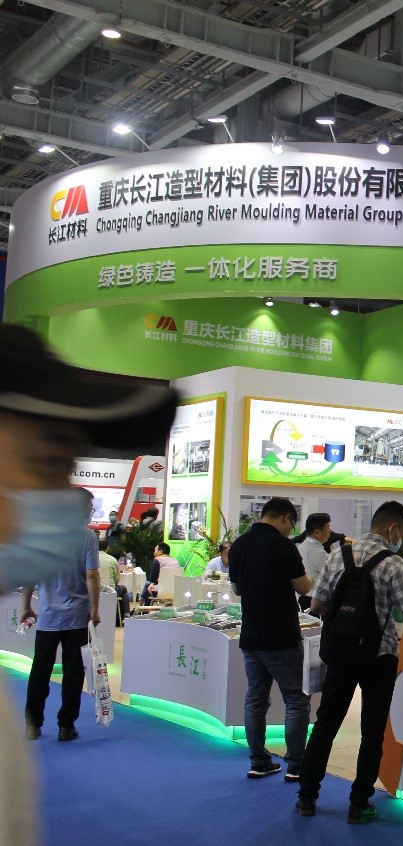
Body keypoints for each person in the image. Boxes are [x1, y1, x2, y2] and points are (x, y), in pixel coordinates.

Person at [0, 323, 177, 846]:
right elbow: (91, 575)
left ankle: (47, 719)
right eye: (48, 461)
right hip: (72, 614)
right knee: (65, 668)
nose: (57, 495)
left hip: (60, 615)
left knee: (51, 669)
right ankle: (62, 720)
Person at [296, 501, 403, 823]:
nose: (401, 539)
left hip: (340, 652)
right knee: (372, 731)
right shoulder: (393, 564)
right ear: (393, 529)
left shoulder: (337, 555)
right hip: (378, 656)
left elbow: (318, 604)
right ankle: (359, 803)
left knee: (325, 724)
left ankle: (307, 796)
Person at [228, 497, 313, 781]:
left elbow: (237, 590)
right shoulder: (284, 545)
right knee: (296, 700)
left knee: (255, 699)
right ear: (286, 518)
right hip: (281, 635)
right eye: (292, 524)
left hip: (251, 635)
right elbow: (304, 587)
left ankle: (259, 761)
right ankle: (297, 764)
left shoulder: (239, 545)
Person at [22, 487, 101, 742]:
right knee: (73, 672)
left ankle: (32, 725)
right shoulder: (87, 537)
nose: (91, 512)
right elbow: (92, 574)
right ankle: (66, 726)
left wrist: (26, 606)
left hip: (48, 616)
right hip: (77, 616)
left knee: (40, 670)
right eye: (89, 507)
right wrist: (95, 609)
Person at [296, 513, 332, 611]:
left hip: (303, 599)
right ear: (317, 532)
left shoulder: (301, 547)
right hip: (315, 602)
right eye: (328, 527)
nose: (330, 531)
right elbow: (332, 578)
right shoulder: (318, 552)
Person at [98, 537, 129, 619]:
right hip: (110, 590)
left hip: (93, 591)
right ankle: (126, 615)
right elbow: (117, 578)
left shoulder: (90, 559)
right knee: (123, 589)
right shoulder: (112, 559)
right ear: (107, 548)